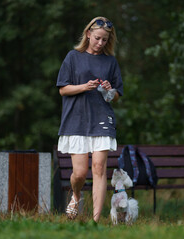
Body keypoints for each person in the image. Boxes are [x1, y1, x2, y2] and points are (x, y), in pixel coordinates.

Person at [56, 16, 123, 222]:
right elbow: (63, 89)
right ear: (88, 34)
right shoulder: (72, 57)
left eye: (104, 40)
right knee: (80, 173)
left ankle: (95, 220)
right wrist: (85, 86)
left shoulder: (110, 61)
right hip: (76, 120)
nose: (100, 43)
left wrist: (109, 91)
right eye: (97, 38)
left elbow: (117, 95)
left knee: (99, 169)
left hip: (102, 120)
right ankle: (76, 195)